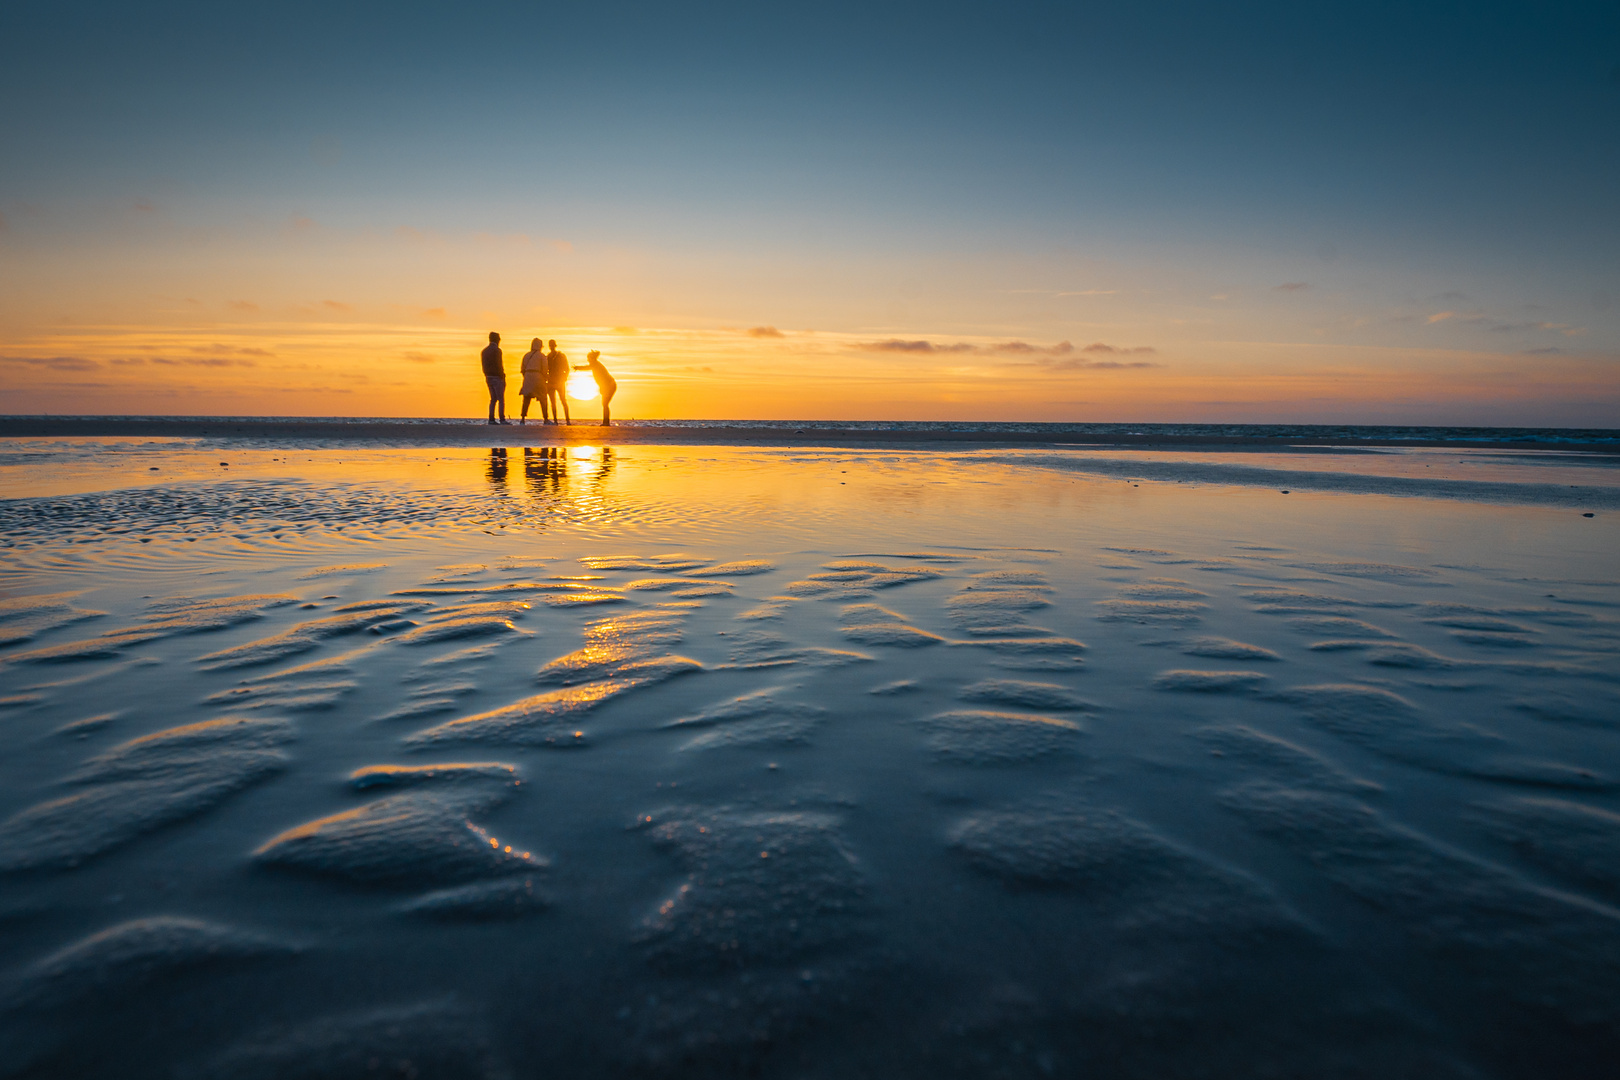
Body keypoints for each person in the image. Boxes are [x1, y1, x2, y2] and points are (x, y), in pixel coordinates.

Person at [579, 350, 618, 426]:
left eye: (589, 358)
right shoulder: (595, 365)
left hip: (610, 385)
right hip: (608, 385)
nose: (588, 360)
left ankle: (606, 422)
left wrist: (578, 368)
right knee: (605, 404)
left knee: (605, 403)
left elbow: (587, 367)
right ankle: (606, 422)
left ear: (593, 358)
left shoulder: (596, 364)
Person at [480, 332, 508, 425]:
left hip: (488, 376)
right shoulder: (497, 351)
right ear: (496, 339)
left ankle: (491, 419)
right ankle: (502, 419)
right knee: (501, 399)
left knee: (493, 399)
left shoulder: (484, 351)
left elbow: (483, 365)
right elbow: (499, 364)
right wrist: (502, 375)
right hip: (497, 376)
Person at [518, 337, 548, 424]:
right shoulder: (542, 356)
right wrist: (545, 378)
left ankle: (522, 419)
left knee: (526, 399)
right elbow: (545, 369)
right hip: (538, 376)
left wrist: (526, 376)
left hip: (527, 377)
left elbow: (522, 369)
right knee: (543, 398)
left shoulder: (526, 355)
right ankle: (545, 419)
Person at [545, 339, 571, 425]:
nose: (551, 347)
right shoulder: (547, 357)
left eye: (552, 345)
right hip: (551, 381)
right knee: (553, 402)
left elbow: (567, 368)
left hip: (560, 381)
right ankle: (555, 421)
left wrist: (564, 377)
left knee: (563, 401)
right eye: (550, 345)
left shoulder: (561, 356)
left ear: (555, 346)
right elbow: (545, 370)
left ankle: (567, 420)